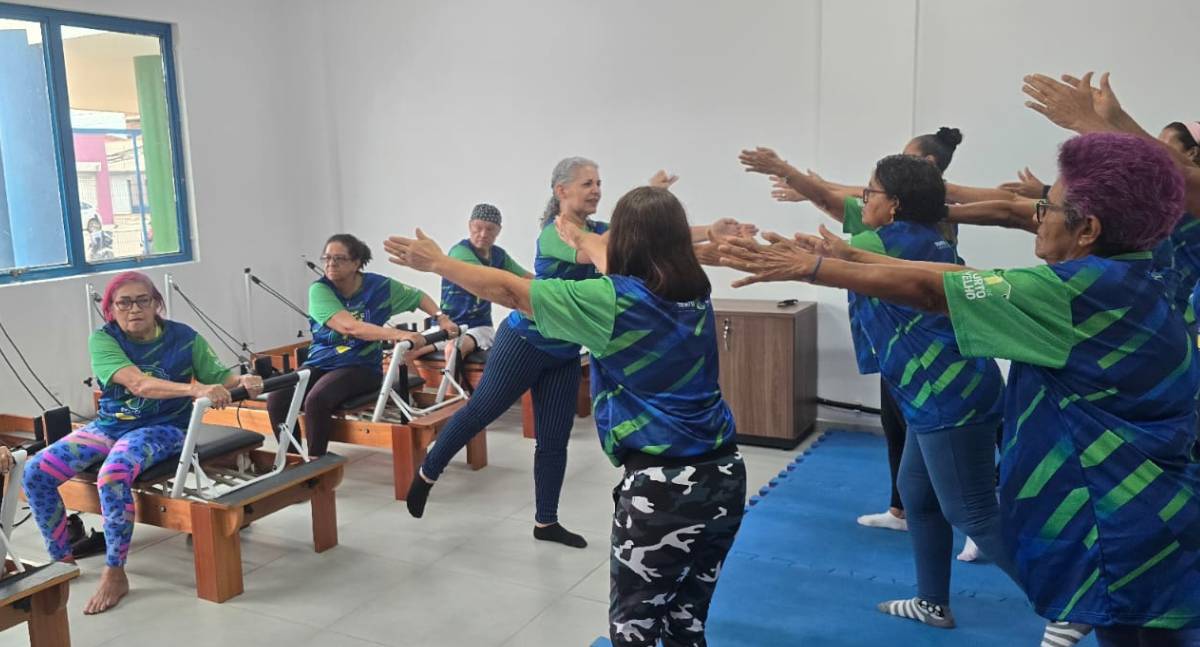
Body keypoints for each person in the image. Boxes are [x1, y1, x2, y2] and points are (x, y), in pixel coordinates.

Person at [719, 132, 1200, 647]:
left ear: (1088, 230)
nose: (1038, 217)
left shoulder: (1070, 293)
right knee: (920, 494)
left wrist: (814, 266)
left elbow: (932, 289)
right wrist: (845, 256)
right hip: (1159, 504)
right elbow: (962, 274)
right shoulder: (1147, 273)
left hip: (1109, 519)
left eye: (1048, 208)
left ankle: (1067, 605)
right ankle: (935, 600)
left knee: (974, 512)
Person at [385, 185, 747, 647]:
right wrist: (580, 236)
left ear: (625, 239)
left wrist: (436, 262)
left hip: (664, 489)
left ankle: (545, 518)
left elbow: (512, 290)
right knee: (686, 622)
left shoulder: (613, 299)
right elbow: (604, 255)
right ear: (562, 191)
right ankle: (428, 471)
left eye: (599, 184)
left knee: (633, 630)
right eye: (587, 183)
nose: (595, 189)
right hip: (726, 473)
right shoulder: (694, 290)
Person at [22, 271, 263, 615]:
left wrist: (244, 380)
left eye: (142, 300)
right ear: (111, 308)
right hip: (110, 426)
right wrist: (194, 389)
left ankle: (115, 571)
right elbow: (138, 384)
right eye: (124, 303)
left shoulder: (184, 338)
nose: (133, 309)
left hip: (165, 428)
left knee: (113, 475)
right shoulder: (104, 339)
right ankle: (61, 561)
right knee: (35, 472)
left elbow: (220, 378)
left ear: (156, 304)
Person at [266, 233, 454, 457]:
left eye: (339, 258)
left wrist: (441, 317)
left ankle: (317, 463)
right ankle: (292, 458)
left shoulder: (379, 287)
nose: (330, 264)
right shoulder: (320, 289)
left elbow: (418, 296)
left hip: (362, 366)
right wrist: (401, 334)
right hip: (319, 363)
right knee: (277, 398)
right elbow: (350, 327)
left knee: (316, 399)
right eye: (327, 258)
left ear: (356, 263)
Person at [409, 203, 532, 364]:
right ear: (469, 226)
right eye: (478, 228)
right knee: (404, 351)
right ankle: (416, 380)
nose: (483, 234)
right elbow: (483, 278)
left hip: (478, 327)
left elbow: (527, 278)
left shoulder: (499, 256)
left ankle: (455, 383)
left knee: (453, 349)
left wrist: (553, 285)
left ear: (498, 231)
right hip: (446, 326)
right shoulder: (460, 252)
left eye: (490, 229)